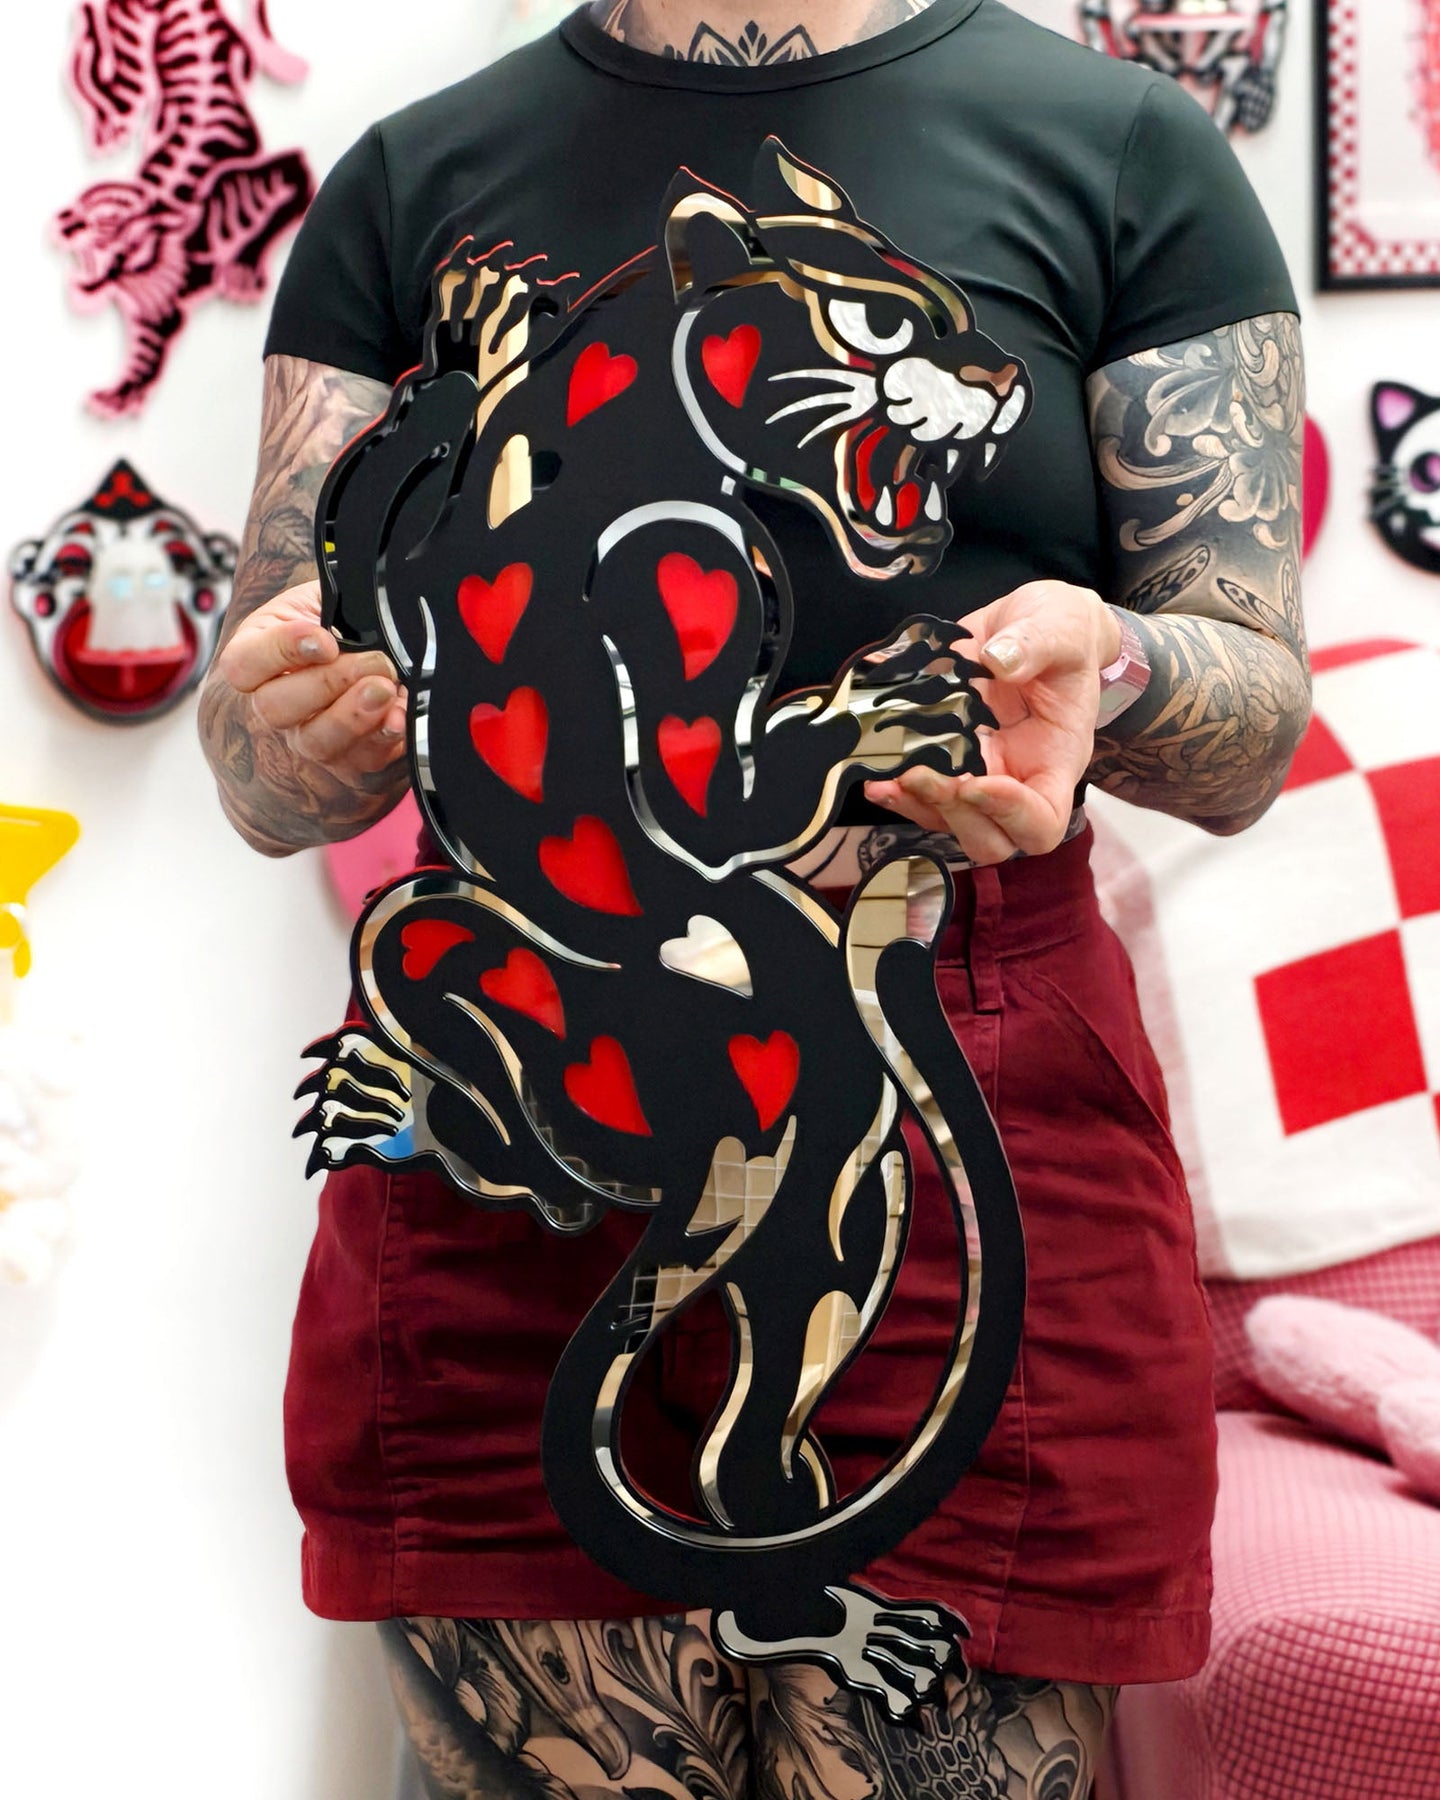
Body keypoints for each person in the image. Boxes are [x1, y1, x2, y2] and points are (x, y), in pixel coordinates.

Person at [198, 2, 1308, 1793]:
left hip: (952, 1087)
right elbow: (270, 759)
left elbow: (1247, 728)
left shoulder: (1123, 158)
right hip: (532, 1106)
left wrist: (1113, 664)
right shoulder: (411, 182)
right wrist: (278, 734)